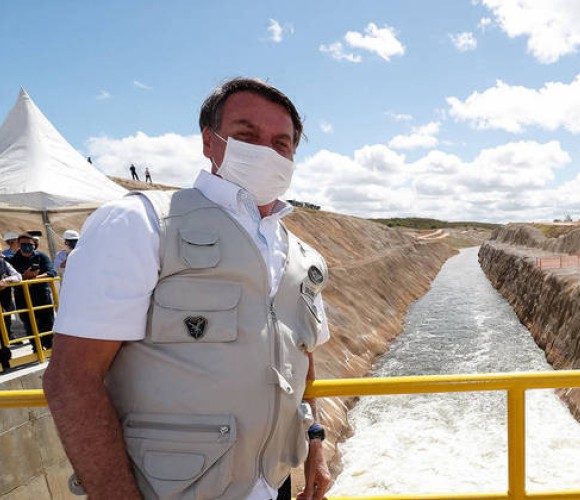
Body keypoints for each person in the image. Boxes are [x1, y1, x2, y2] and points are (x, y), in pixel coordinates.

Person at [44, 78, 332, 500]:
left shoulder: (303, 257)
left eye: (281, 143)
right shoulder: (140, 224)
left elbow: (302, 360)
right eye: (246, 135)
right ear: (209, 142)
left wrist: (316, 446)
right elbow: (72, 378)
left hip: (274, 483)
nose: (266, 152)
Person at [8, 233, 57, 351]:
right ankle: (37, 347)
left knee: (47, 321)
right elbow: (11, 276)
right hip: (23, 296)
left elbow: (52, 272)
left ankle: (50, 346)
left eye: (29, 244)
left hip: (42, 295)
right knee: (29, 322)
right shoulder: (12, 260)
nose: (26, 247)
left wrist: (36, 278)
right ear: (18, 245)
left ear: (34, 244)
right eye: (23, 244)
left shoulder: (41, 256)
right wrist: (24, 276)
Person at [0, 258, 22, 370]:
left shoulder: (4, 264)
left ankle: (5, 362)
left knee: (4, 334)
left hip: (4, 306)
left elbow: (18, 277)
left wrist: (5, 281)